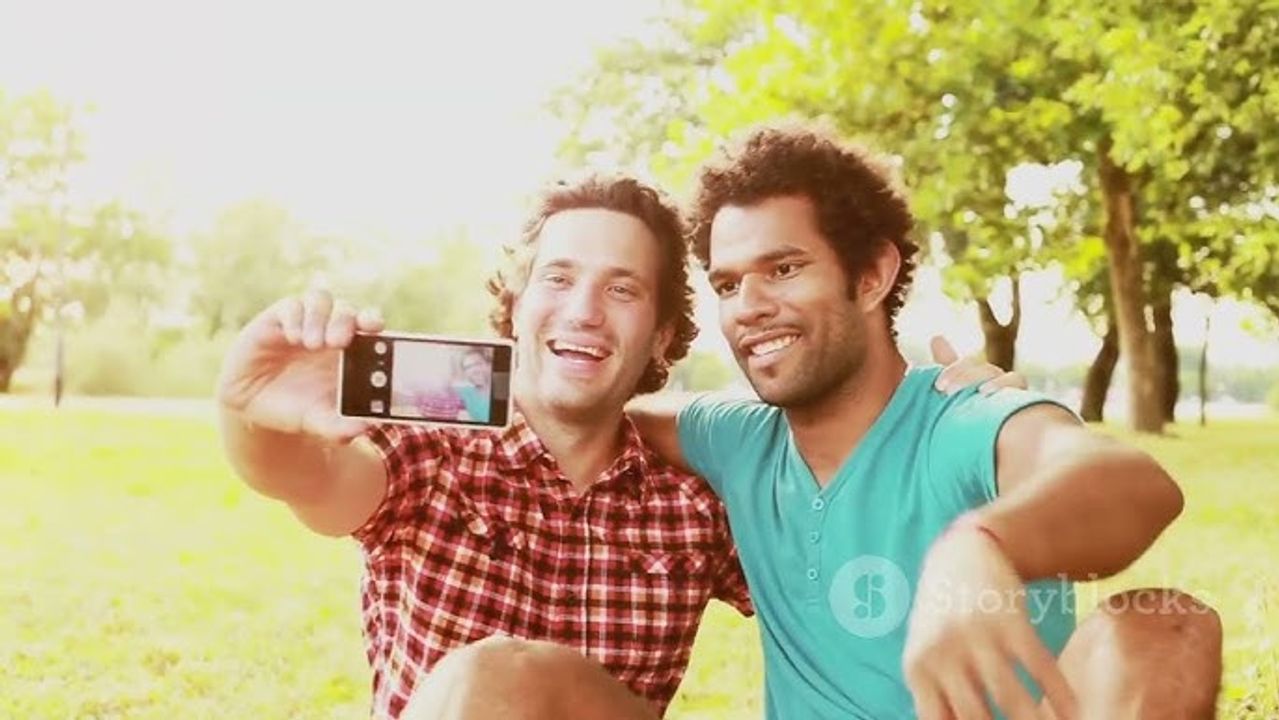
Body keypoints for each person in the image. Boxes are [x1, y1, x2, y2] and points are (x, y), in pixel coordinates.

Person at [216, 174, 1015, 720]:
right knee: (491, 679)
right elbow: (304, 476)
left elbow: (858, 576)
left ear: (662, 334)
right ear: (517, 306)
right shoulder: (432, 456)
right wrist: (251, 410)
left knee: (509, 674)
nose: (585, 312)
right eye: (558, 279)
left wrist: (952, 430)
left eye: (622, 289)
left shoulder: (695, 502)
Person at [630, 124, 1224, 719]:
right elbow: (606, 409)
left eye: (784, 269)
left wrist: (983, 543)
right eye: (728, 284)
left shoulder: (964, 419)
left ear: (871, 275)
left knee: (1163, 628)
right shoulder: (736, 441)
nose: (749, 306)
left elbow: (1134, 484)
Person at [452, 347, 492, 422]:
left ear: (489, 365)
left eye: (477, 364)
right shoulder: (462, 393)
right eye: (468, 367)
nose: (474, 370)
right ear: (465, 373)